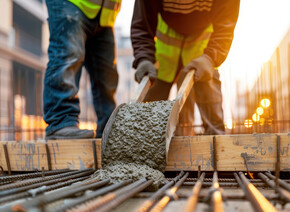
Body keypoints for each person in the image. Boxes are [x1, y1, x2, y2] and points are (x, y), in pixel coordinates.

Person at [131, 0, 240, 135]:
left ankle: (216, 141)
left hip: (202, 43)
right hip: (166, 43)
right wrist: (144, 58)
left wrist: (211, 57)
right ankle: (145, 140)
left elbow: (226, 22)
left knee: (209, 91)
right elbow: (142, 23)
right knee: (151, 108)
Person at [43, 0, 121, 139]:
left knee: (107, 77)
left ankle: (110, 133)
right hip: (70, 3)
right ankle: (61, 122)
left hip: (105, 15)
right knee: (67, 58)